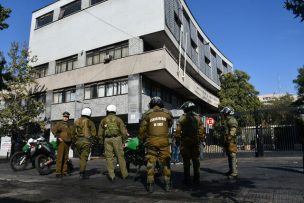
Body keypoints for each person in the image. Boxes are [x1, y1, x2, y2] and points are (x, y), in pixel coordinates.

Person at [139, 97, 173, 192]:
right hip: (164, 141)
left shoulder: (147, 114)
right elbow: (170, 124)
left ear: (151, 104)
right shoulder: (167, 113)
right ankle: (167, 183)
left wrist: (141, 139)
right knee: (166, 162)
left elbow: (142, 129)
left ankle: (150, 183)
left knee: (151, 162)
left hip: (151, 142)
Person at [175, 101, 205, 185]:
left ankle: (187, 179)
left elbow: (178, 130)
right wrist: (201, 139)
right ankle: (196, 179)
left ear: (186, 108)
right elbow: (201, 130)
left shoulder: (183, 117)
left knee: (186, 161)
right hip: (195, 142)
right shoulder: (198, 117)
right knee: (196, 160)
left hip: (185, 142)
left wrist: (177, 139)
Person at [98, 104, 129, 181]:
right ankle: (124, 175)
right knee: (120, 157)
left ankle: (112, 176)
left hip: (107, 140)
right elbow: (124, 132)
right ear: (114, 111)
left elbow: (100, 133)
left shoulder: (103, 120)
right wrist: (124, 141)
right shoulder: (118, 119)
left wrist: (101, 142)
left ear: (107, 111)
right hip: (117, 139)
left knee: (109, 158)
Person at [74, 107, 97, 179]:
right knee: (84, 158)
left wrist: (74, 141)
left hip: (77, 142)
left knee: (81, 158)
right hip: (86, 142)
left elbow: (72, 132)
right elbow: (93, 133)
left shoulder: (76, 121)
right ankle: (82, 173)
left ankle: (82, 171)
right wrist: (93, 142)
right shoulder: (90, 122)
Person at [51, 111, 73, 178]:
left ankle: (64, 171)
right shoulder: (59, 123)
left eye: (67, 117)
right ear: (63, 117)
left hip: (68, 143)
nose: (66, 118)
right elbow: (53, 130)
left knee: (66, 158)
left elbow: (71, 134)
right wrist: (58, 137)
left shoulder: (70, 125)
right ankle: (58, 172)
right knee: (60, 157)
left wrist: (71, 141)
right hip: (61, 142)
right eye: (65, 116)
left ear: (68, 117)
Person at [220, 106, 238, 179]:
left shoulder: (231, 120)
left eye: (224, 112)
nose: (223, 113)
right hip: (228, 140)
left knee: (232, 156)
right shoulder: (227, 120)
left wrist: (229, 137)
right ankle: (231, 171)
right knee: (229, 156)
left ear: (228, 112)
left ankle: (234, 173)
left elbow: (233, 129)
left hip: (231, 141)